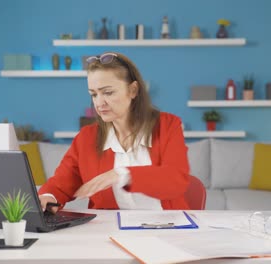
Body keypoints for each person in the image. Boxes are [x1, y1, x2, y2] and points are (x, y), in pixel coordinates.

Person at [38, 52, 191, 213]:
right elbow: (60, 184)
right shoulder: (87, 137)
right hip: (109, 231)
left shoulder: (168, 125)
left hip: (168, 228)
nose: (99, 103)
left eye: (108, 92)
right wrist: (48, 197)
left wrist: (122, 174)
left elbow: (176, 180)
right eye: (94, 94)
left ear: (133, 90)